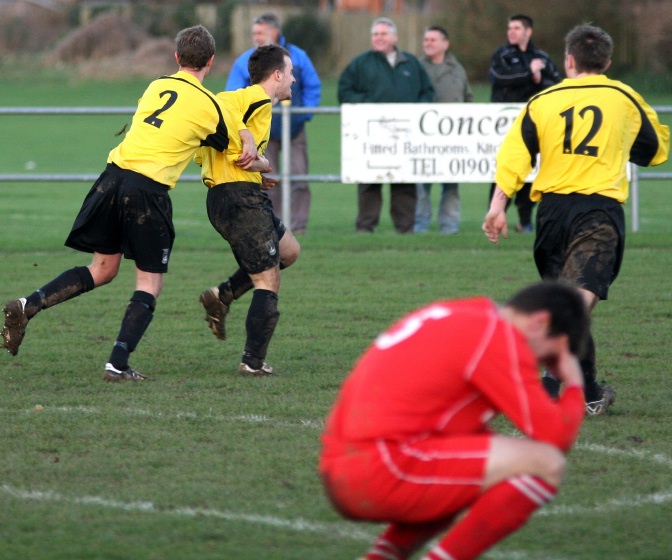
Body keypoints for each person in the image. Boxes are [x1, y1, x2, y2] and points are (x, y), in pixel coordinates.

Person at [1, 25, 257, 381]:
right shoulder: (209, 104)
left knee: (103, 268)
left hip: (111, 178)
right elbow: (232, 150)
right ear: (211, 62)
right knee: (149, 282)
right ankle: (117, 364)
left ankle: (28, 305)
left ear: (176, 57)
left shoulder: (155, 86)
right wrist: (254, 151)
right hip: (146, 190)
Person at [320, 281, 589, 560]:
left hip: (346, 462)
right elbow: (556, 438)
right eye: (546, 356)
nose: (538, 365)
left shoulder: (461, 312)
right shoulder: (498, 336)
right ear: (540, 322)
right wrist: (573, 384)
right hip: (380, 468)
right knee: (546, 463)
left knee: (476, 455)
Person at [483, 24, 670, 414]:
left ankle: (587, 395)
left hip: (550, 213)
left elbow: (514, 157)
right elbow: (655, 150)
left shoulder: (543, 100)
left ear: (568, 60)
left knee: (568, 302)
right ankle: (544, 380)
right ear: (607, 62)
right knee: (573, 302)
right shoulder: (624, 96)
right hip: (597, 210)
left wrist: (498, 205)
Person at [196, 44, 301, 377]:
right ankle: (252, 361)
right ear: (277, 75)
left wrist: (256, 169)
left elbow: (223, 147)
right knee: (267, 278)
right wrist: (253, 151)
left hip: (239, 192)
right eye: (291, 73)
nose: (294, 80)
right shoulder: (250, 98)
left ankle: (222, 295)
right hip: (235, 198)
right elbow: (217, 103)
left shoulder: (254, 107)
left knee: (289, 252)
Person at [226, 12, 322, 235]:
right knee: (268, 180)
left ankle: (298, 228)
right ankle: (273, 225)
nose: (256, 38)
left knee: (299, 178)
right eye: (254, 33)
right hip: (262, 131)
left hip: (295, 130)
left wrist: (303, 115)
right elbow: (232, 95)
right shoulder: (246, 61)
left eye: (260, 33)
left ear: (274, 32)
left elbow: (313, 86)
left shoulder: (297, 57)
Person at [338, 17, 433, 234]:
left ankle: (405, 229)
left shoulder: (411, 63)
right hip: (371, 136)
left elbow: (427, 92)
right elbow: (344, 92)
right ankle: (365, 228)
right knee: (369, 182)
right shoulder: (360, 64)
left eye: (383, 34)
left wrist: (418, 110)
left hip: (405, 136)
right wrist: (368, 106)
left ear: (394, 37)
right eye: (375, 34)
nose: (379, 38)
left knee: (404, 182)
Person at [488, 14, 561, 233]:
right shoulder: (501, 55)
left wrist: (540, 79)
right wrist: (529, 73)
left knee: (530, 173)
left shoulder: (542, 57)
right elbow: (499, 78)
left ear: (528, 32)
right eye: (509, 28)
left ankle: (525, 222)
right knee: (503, 171)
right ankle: (493, 216)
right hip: (504, 125)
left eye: (516, 28)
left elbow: (556, 86)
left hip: (534, 124)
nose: (511, 31)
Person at [415, 25, 473, 234]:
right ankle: (419, 226)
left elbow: (468, 98)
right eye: (426, 39)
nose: (428, 43)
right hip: (422, 138)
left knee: (450, 185)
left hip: (452, 139)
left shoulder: (457, 69)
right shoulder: (415, 67)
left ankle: (449, 226)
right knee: (421, 185)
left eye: (433, 39)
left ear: (445, 44)